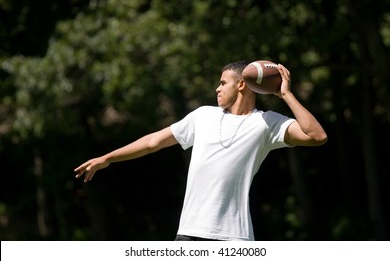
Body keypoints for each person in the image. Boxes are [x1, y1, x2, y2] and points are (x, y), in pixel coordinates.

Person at [74, 61, 327, 241]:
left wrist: (286, 94)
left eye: (222, 82)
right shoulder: (203, 116)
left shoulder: (266, 122)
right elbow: (153, 142)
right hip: (189, 234)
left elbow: (316, 136)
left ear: (241, 85)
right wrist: (107, 158)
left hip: (234, 239)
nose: (217, 88)